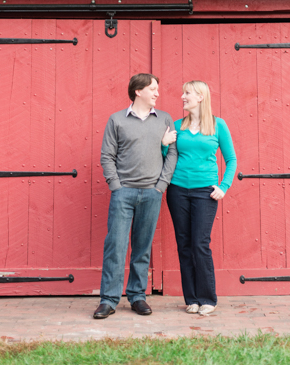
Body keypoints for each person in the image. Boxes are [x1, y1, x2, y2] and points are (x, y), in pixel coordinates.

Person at [94, 73, 178, 319]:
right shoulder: (117, 119)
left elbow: (172, 153)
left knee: (142, 248)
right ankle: (108, 300)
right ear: (138, 91)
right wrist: (116, 186)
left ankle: (137, 296)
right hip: (123, 193)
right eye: (153, 89)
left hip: (152, 193)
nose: (157, 93)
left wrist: (161, 185)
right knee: (116, 247)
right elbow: (107, 156)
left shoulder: (164, 119)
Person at [165, 80, 236, 316]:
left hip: (205, 192)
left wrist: (224, 186)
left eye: (187, 93)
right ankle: (192, 299)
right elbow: (166, 156)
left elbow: (231, 159)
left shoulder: (218, 125)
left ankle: (208, 298)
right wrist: (164, 145)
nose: (183, 97)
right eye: (184, 92)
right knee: (184, 245)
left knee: (199, 244)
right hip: (177, 191)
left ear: (201, 97)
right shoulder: (177, 126)